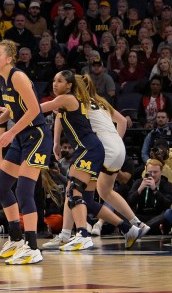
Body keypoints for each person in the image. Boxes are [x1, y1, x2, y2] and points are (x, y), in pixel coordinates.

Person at [39, 71, 146, 251]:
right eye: (54, 81)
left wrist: (13, 109)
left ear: (72, 85)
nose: (55, 84)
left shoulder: (72, 100)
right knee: (88, 196)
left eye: (60, 81)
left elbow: (45, 111)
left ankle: (79, 234)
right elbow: (120, 120)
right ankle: (130, 227)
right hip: (113, 147)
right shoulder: (97, 102)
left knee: (74, 190)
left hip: (94, 148)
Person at [0, 40, 49, 264]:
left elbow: (34, 110)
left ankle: (32, 247)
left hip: (37, 136)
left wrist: (10, 132)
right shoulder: (1, 77)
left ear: (9, 58)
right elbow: (14, 108)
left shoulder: (17, 76)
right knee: (1, 185)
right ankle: (15, 239)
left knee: (24, 191)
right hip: (21, 136)